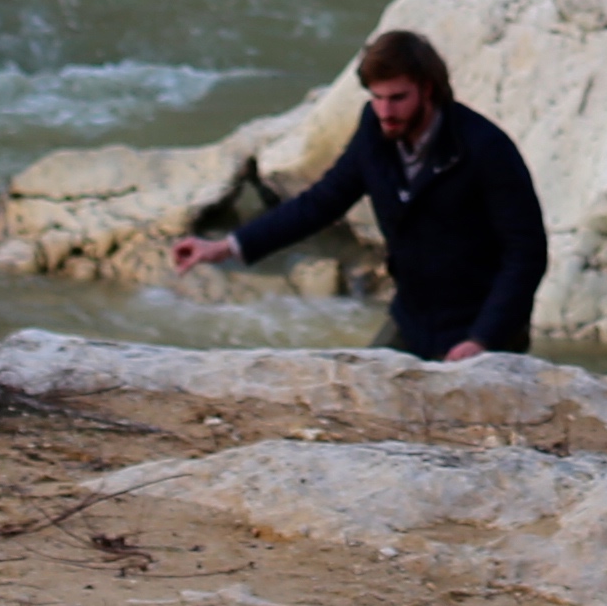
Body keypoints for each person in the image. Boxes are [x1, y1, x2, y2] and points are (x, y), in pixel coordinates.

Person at [173, 26, 547, 363]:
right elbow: (321, 202)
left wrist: (482, 341)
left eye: (397, 98)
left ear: (427, 89)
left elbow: (526, 253)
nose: (385, 111)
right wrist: (227, 246)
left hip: (485, 332)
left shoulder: (485, 148)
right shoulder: (375, 130)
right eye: (376, 98)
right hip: (413, 321)